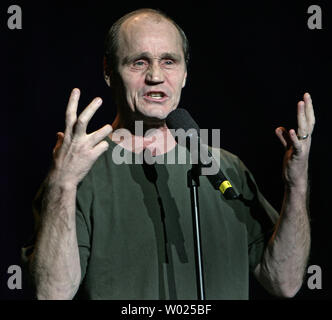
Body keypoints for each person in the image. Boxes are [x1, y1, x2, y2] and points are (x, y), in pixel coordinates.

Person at [23, 8, 315, 300]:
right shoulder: (78, 172)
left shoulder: (226, 170)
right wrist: (63, 184)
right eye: (139, 62)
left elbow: (284, 282)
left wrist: (297, 182)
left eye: (168, 61)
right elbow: (52, 293)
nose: (155, 76)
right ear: (108, 71)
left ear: (185, 73)